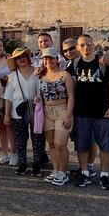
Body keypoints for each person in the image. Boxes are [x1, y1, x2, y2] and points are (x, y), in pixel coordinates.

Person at [67, 34, 109, 190]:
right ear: (78, 48)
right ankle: (84, 173)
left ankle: (104, 175)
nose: (86, 48)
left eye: (88, 45)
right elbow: (59, 76)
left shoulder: (103, 63)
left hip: (102, 112)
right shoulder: (75, 64)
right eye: (82, 45)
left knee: (106, 145)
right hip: (81, 113)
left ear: (93, 45)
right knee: (81, 145)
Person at [3, 47, 44, 177]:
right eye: (18, 58)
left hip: (35, 110)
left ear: (28, 58)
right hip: (17, 111)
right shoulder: (12, 76)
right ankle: (23, 163)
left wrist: (39, 98)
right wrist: (6, 115)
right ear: (15, 61)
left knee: (37, 138)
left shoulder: (37, 73)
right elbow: (8, 97)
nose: (21, 59)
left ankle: (37, 164)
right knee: (21, 139)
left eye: (23, 56)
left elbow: (41, 90)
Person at [62, 38, 99, 178]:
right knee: (80, 139)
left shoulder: (91, 61)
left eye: (71, 48)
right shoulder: (69, 66)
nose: (68, 52)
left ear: (77, 47)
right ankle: (83, 167)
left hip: (91, 107)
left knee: (91, 139)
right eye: (65, 50)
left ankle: (90, 166)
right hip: (75, 108)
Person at [39, 47, 75, 186]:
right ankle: (55, 170)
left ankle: (63, 172)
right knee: (52, 144)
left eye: (51, 58)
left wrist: (68, 115)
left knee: (60, 144)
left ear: (57, 59)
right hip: (47, 112)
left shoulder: (64, 75)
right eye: (45, 58)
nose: (48, 61)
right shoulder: (41, 75)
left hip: (62, 110)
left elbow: (71, 97)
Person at [0, 38, 17, 166]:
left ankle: (14, 153)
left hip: (8, 95)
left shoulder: (8, 60)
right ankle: (4, 153)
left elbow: (15, 75)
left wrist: (6, 80)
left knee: (9, 125)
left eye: (0, 45)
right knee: (1, 127)